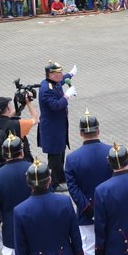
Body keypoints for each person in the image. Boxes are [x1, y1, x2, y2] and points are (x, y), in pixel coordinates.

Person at [64, 110, 113, 255]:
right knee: (111, 249)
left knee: (90, 251)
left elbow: (73, 189)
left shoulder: (73, 158)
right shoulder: (111, 152)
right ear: (98, 130)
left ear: (80, 133)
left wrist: (88, 208)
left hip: (86, 215)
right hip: (110, 211)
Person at [37, 61, 77, 192]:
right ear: (50, 74)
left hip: (58, 128)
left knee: (60, 154)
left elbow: (61, 81)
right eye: (58, 72)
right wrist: (67, 95)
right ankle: (53, 184)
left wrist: (70, 74)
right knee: (54, 158)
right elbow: (56, 105)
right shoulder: (46, 89)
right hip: (52, 130)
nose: (61, 74)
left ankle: (61, 178)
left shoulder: (54, 82)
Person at [0, 93, 37, 163]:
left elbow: (6, 116)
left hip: (2, 158)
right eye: (10, 104)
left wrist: (21, 106)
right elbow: (36, 119)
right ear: (8, 108)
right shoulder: (18, 124)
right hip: (20, 159)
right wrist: (28, 103)